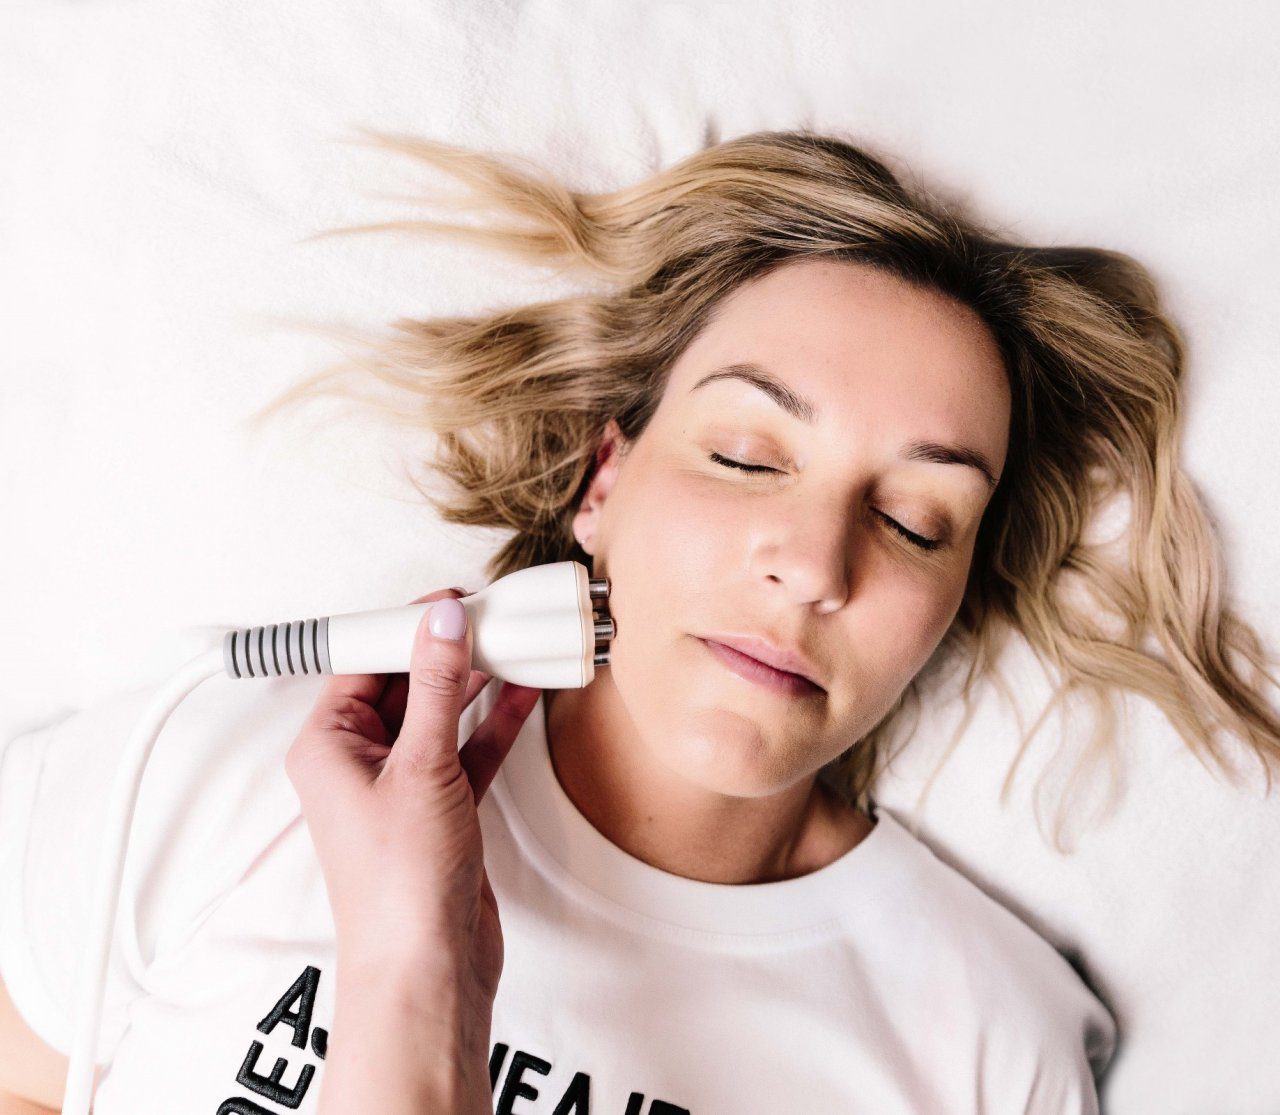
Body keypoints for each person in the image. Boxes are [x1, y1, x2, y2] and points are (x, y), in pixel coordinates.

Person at [3, 129, 1277, 1114]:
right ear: (602, 485)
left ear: (948, 603)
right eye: (743, 454)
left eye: (913, 522)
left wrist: (415, 988)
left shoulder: (982, 1047)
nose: (813, 565)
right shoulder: (228, 770)